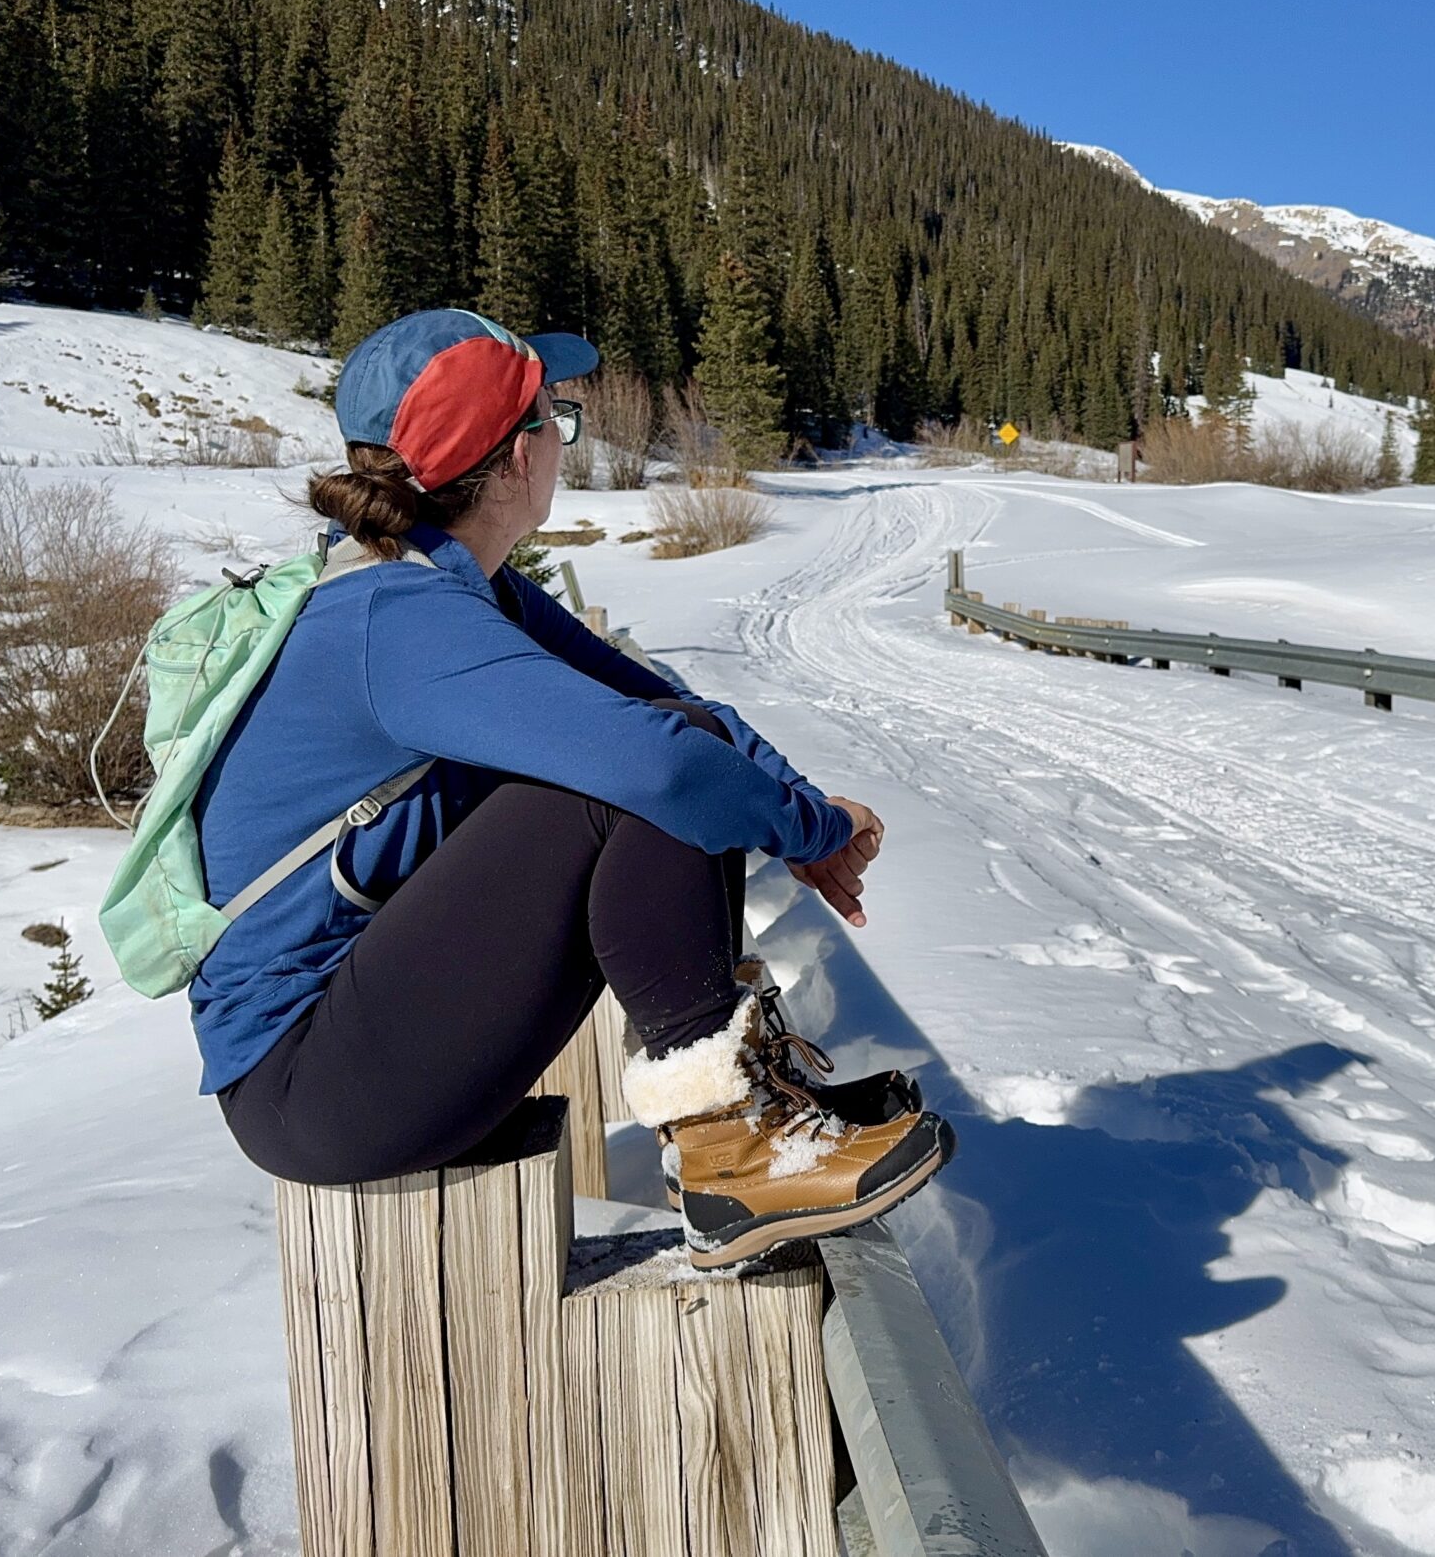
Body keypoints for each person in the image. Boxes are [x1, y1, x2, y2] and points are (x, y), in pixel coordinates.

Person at [191, 309, 950, 1268]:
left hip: (366, 1037)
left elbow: (671, 705)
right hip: (311, 1085)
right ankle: (729, 1142)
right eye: (557, 418)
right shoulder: (396, 621)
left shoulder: (462, 588)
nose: (564, 438)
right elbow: (657, 762)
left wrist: (806, 816)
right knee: (622, 781)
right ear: (513, 461)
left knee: (661, 749)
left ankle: (746, 1108)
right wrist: (804, 826)